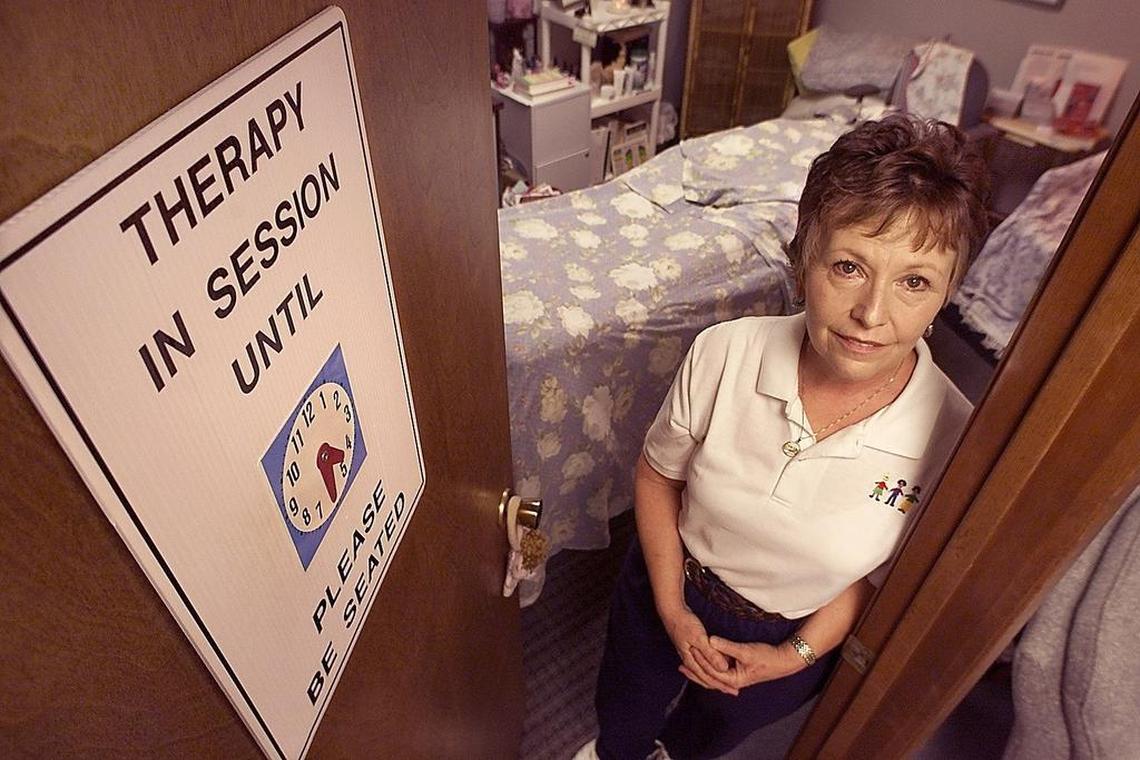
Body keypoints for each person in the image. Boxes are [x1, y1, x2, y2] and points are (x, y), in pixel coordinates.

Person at [576, 114, 991, 760]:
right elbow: (659, 476)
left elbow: (878, 577)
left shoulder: (953, 436)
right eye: (849, 266)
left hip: (790, 635)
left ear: (946, 296)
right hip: (666, 581)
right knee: (623, 715)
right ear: (804, 262)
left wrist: (787, 656)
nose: (872, 314)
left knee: (706, 739)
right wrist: (671, 608)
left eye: (914, 282)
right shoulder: (724, 353)